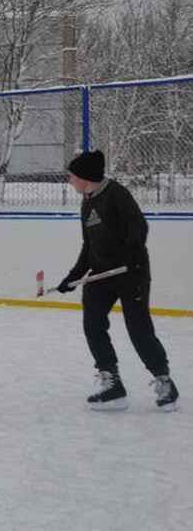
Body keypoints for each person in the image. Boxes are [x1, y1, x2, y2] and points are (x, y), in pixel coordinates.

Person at [55, 150, 178, 411]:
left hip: (130, 272)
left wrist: (133, 256)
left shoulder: (117, 194)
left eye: (72, 176)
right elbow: (89, 246)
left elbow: (139, 227)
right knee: (93, 324)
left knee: (138, 328)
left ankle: (164, 380)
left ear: (85, 178)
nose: (69, 181)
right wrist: (74, 276)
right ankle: (112, 384)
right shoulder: (87, 201)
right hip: (101, 274)